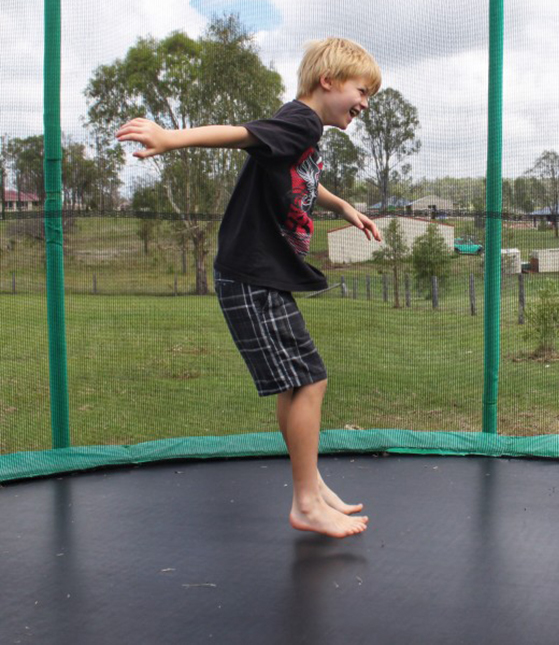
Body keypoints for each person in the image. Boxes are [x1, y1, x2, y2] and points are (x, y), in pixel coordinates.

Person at [117, 37, 383, 539]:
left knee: (298, 381)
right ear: (328, 81)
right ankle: (305, 499)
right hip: (252, 274)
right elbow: (241, 134)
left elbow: (304, 178)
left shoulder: (302, 132)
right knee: (311, 379)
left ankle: (311, 484)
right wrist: (172, 139)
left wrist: (344, 207)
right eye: (361, 90)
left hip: (259, 275)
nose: (365, 103)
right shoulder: (301, 120)